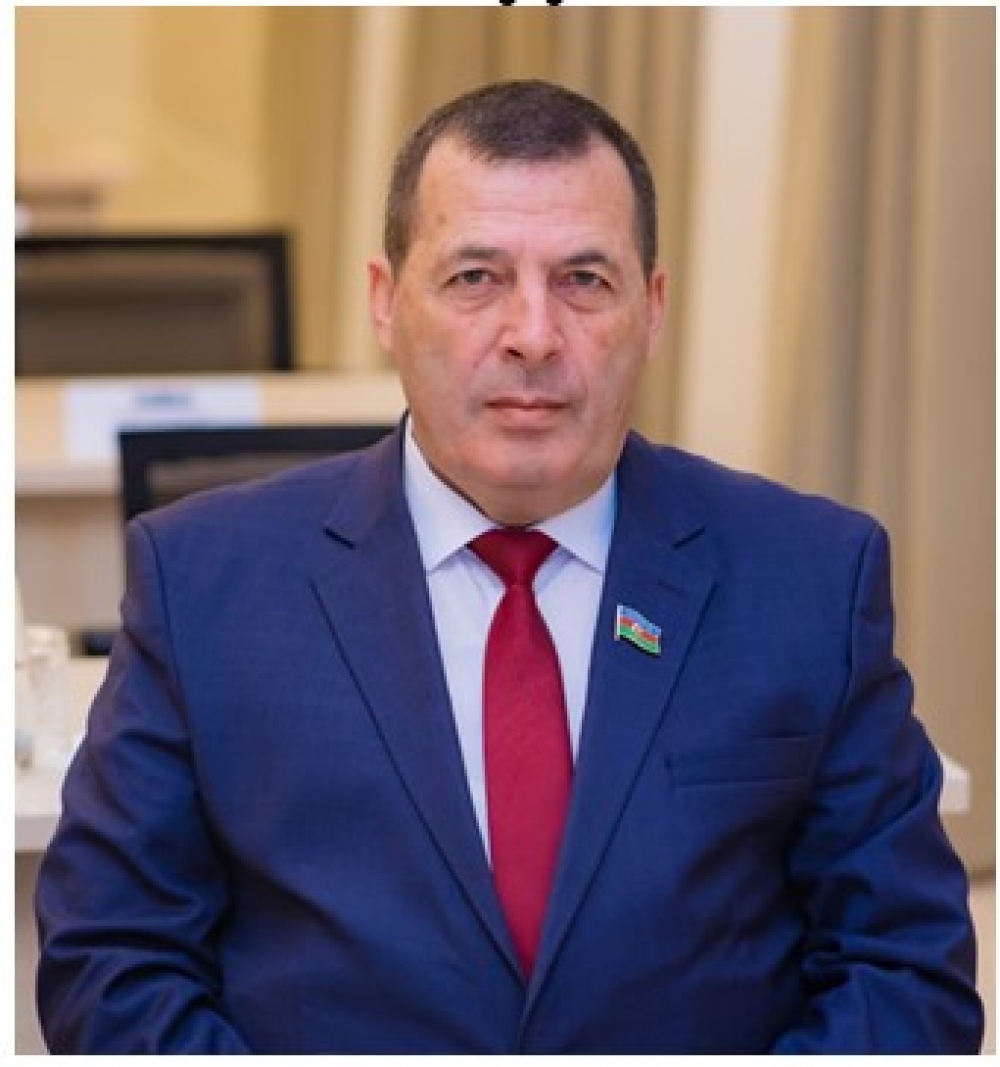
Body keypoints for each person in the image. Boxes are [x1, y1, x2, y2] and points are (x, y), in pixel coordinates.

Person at [35, 79, 982, 1054]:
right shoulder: (203, 583)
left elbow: (905, 972)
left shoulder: (810, 580)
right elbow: (112, 963)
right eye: (475, 277)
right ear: (385, 301)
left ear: (652, 308)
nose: (532, 334)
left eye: (584, 280)